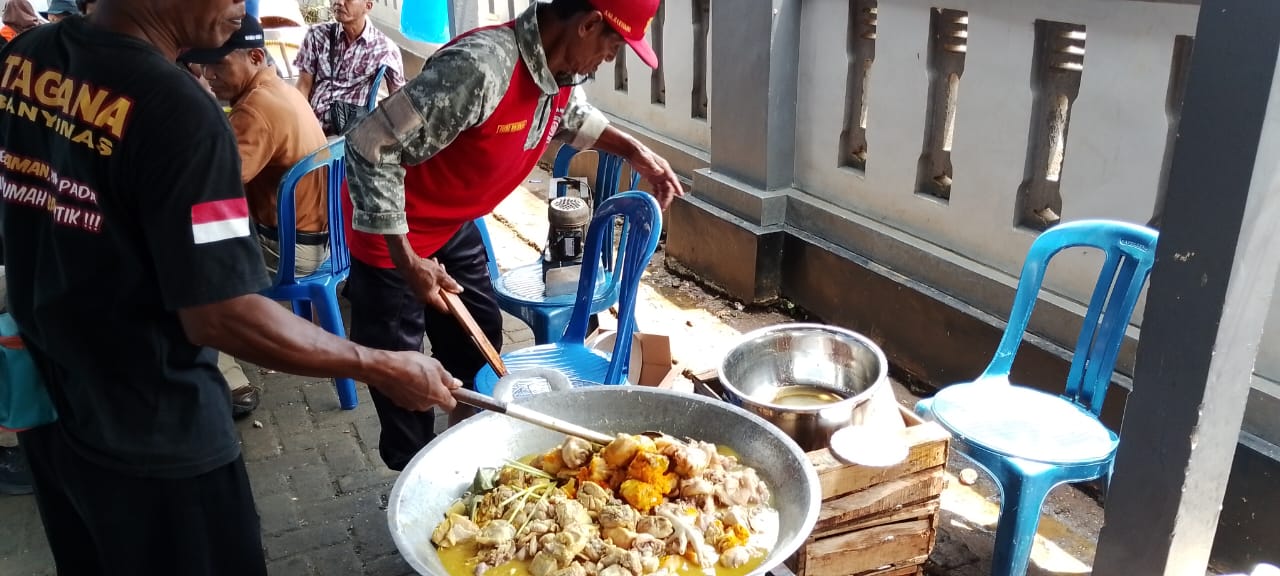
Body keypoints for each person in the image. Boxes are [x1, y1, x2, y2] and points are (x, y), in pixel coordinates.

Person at [0, 1, 462, 574]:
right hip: (154, 427)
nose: (243, 7)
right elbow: (221, 313)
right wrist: (381, 364)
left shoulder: (26, 56)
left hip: (50, 403)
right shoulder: (179, 111)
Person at [343, 0, 683, 472]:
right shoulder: (480, 68)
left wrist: (637, 153)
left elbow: (574, 118)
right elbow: (368, 144)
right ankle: (418, 488)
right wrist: (406, 259)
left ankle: (464, 467)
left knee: (479, 346)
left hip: (451, 223)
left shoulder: (559, 72)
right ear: (587, 25)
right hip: (395, 234)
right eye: (613, 44)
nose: (610, 59)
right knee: (407, 387)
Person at [183, 15, 331, 279]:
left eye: (219, 63)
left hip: (287, 249)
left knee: (175, 241)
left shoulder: (255, 109)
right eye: (204, 64)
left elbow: (213, 183)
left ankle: (217, 319)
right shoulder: (279, 89)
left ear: (255, 57)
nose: (208, 74)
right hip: (315, 239)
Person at [293, 0, 404, 135]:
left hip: (348, 134)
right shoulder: (317, 35)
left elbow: (398, 100)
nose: (339, 2)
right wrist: (300, 122)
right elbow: (303, 86)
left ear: (367, 6)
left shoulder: (385, 49)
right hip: (310, 125)